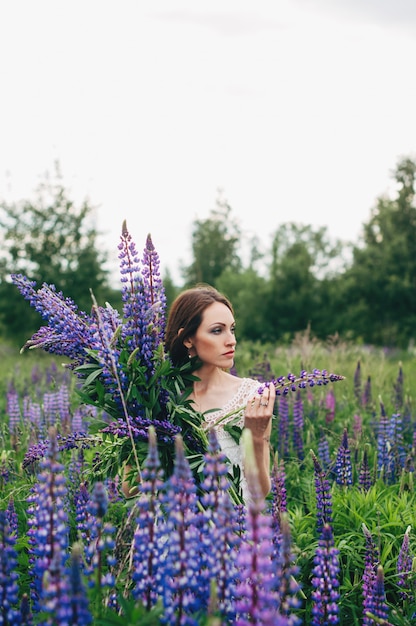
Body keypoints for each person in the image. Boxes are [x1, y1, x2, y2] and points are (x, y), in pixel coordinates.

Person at [164, 284, 275, 500]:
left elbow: (260, 492)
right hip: (173, 526)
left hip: (231, 525)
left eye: (232, 329)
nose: (231, 340)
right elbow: (129, 489)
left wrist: (256, 438)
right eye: (217, 330)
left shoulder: (251, 396)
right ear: (188, 338)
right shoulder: (160, 398)